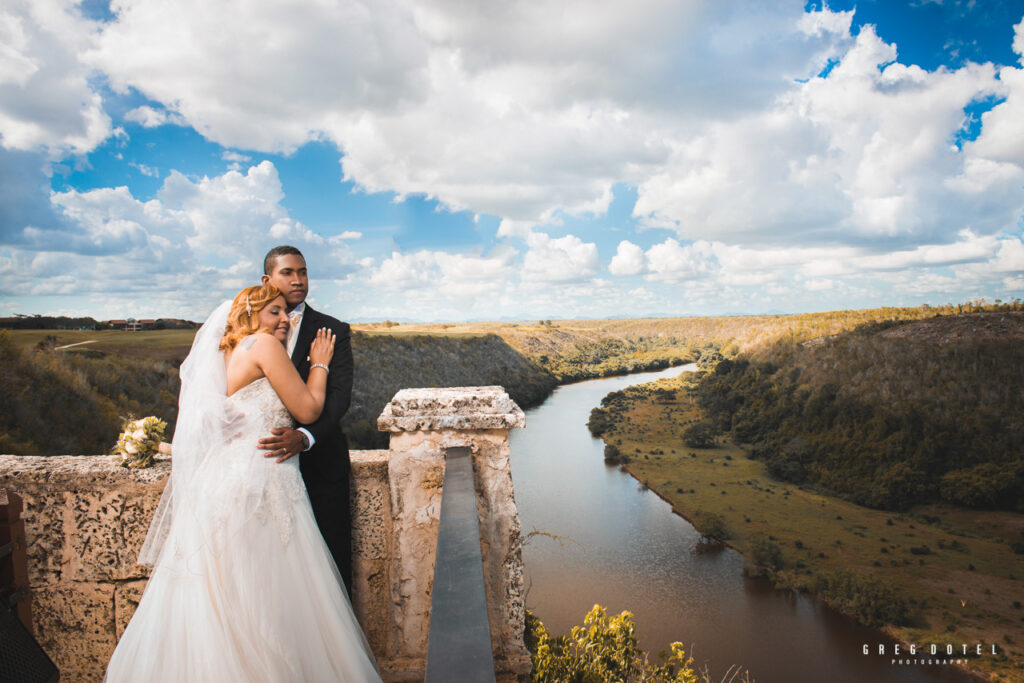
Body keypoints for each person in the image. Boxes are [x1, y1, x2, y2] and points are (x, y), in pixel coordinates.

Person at [105, 284, 380, 682]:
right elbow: (307, 408)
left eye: (286, 312)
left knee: (231, 588)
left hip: (227, 479)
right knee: (268, 590)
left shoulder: (228, 353)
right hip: (263, 480)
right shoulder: (265, 347)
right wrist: (319, 363)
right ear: (250, 314)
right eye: (274, 312)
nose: (285, 319)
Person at [255, 245, 356, 591]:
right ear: (267, 279)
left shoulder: (332, 330)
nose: (298, 280)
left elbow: (339, 398)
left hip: (321, 469)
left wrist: (305, 437)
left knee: (331, 572)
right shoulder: (247, 331)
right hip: (263, 470)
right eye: (288, 273)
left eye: (303, 272)